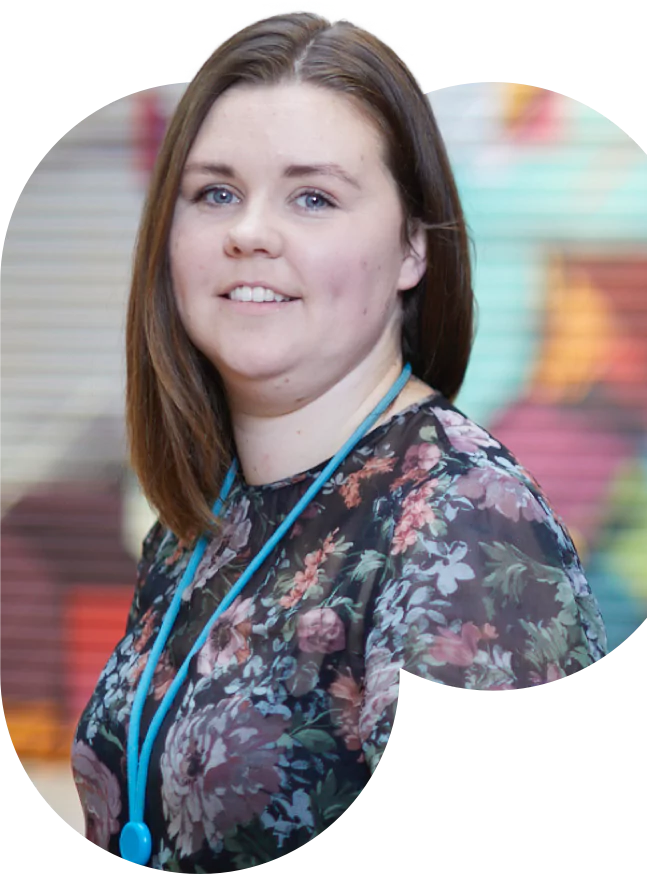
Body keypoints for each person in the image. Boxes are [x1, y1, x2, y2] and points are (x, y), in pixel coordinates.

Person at [70, 9, 608, 872]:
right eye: (215, 192)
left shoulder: (466, 526)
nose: (249, 231)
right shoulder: (200, 518)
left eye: (312, 197)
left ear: (410, 249)